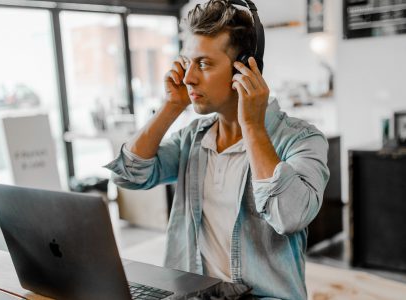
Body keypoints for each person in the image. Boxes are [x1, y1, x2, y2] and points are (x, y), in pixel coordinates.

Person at [105, 0, 329, 299]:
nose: (188, 78)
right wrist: (171, 106)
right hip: (191, 294)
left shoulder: (301, 139)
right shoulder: (193, 139)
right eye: (187, 63)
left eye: (204, 64)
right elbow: (128, 175)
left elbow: (289, 216)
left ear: (246, 69)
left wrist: (252, 126)